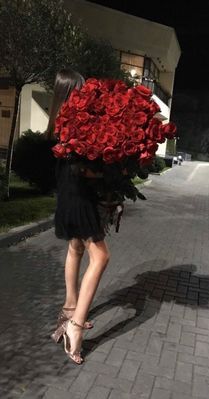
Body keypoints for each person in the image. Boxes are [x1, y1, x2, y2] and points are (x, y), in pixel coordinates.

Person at [45, 69, 112, 365]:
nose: (86, 95)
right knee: (100, 257)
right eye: (82, 90)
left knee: (75, 248)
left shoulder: (58, 123)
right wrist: (108, 171)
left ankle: (70, 308)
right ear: (73, 91)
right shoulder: (74, 125)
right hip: (79, 198)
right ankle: (75, 326)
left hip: (67, 197)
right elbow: (81, 169)